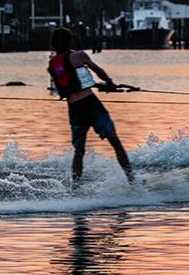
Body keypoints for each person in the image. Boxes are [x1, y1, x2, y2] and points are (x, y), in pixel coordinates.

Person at [47, 27, 136, 186]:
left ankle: (75, 188)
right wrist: (109, 83)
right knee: (115, 142)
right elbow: (98, 71)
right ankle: (132, 181)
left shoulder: (52, 64)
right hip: (91, 104)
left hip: (74, 109)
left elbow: (69, 84)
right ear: (69, 41)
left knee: (79, 151)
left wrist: (96, 84)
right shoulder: (79, 55)